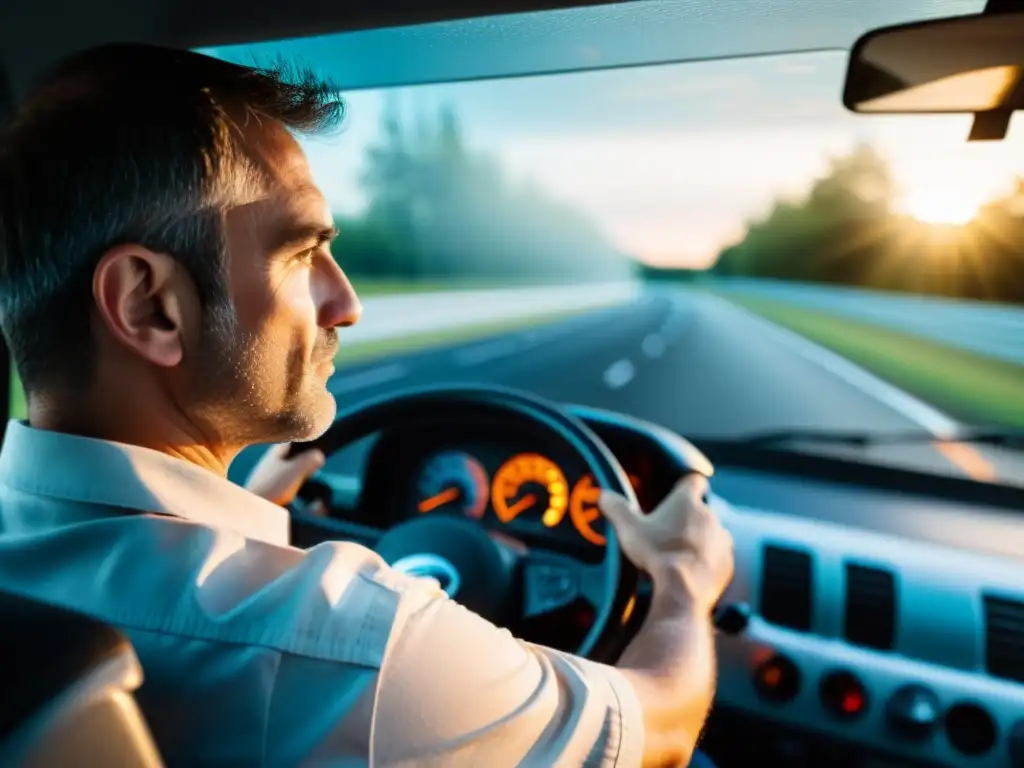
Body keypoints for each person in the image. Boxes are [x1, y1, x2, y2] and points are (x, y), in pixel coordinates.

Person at [0, 44, 734, 767]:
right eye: (300, 253)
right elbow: (660, 726)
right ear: (150, 304)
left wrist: (243, 521)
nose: (345, 302)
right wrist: (680, 583)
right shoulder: (363, 643)